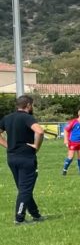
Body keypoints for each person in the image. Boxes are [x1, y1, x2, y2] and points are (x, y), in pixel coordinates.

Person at [0, 95, 46, 224]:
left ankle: (36, 215)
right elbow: (40, 131)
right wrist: (36, 146)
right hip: (26, 157)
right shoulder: (27, 117)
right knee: (25, 189)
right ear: (28, 105)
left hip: (12, 157)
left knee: (23, 188)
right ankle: (19, 218)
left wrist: (7, 145)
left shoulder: (7, 118)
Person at [62, 108, 80, 176]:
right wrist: (65, 140)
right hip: (72, 142)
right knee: (70, 157)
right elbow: (66, 130)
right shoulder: (74, 122)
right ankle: (64, 170)